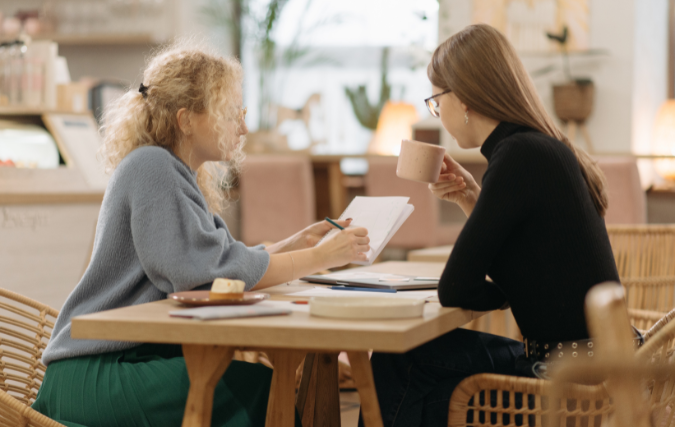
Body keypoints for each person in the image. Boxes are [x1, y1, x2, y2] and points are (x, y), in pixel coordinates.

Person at [33, 42, 370, 427]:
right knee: (258, 388)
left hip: (115, 363)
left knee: (259, 384)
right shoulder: (153, 167)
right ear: (186, 119)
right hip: (95, 373)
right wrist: (320, 258)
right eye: (230, 114)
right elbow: (204, 272)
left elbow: (218, 257)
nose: (242, 127)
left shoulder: (171, 171)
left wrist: (293, 245)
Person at [361, 24, 622, 427]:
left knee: (401, 361)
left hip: (565, 378)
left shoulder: (517, 155)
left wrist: (501, 295)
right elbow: (531, 264)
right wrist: (471, 197)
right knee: (418, 368)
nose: (439, 113)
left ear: (462, 98)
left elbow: (455, 288)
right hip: (593, 364)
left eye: (436, 101)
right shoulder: (536, 146)